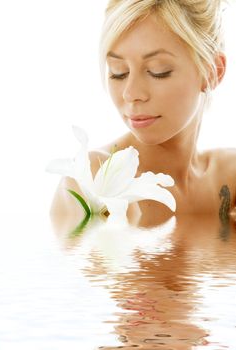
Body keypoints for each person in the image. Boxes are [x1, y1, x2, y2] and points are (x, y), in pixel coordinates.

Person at [50, 0, 236, 227]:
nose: (131, 93)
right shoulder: (93, 181)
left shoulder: (228, 180)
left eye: (158, 71)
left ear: (212, 72)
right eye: (119, 72)